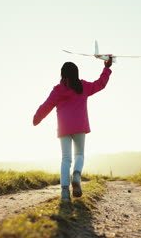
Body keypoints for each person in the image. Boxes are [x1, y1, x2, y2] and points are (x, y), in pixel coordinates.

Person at [33, 57, 113, 201]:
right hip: (80, 126)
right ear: (76, 73)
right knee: (79, 155)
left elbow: (47, 106)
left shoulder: (58, 90)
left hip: (64, 128)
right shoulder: (83, 86)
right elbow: (100, 84)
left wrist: (37, 118)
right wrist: (106, 68)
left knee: (65, 159)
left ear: (62, 74)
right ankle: (76, 174)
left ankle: (64, 193)